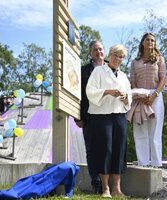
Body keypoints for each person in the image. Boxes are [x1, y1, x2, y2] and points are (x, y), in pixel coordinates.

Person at [86, 44, 132, 198]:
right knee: (105, 149)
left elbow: (129, 98)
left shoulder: (124, 76)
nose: (117, 59)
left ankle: (116, 189)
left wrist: (126, 98)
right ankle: (105, 189)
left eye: (121, 57)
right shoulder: (99, 71)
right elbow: (90, 91)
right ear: (109, 55)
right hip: (101, 116)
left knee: (119, 150)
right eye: (115, 55)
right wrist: (107, 92)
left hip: (119, 116)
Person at [130, 32, 166, 167]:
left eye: (153, 40)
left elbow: (162, 79)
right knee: (140, 129)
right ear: (143, 42)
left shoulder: (160, 59)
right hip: (139, 97)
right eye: (148, 40)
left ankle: (156, 164)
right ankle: (143, 163)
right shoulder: (134, 62)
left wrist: (154, 95)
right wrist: (139, 95)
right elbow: (132, 81)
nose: (150, 42)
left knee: (155, 130)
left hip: (155, 96)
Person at [74, 41, 105, 194]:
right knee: (92, 150)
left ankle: (107, 184)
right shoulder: (83, 71)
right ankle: (96, 182)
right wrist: (77, 116)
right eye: (95, 50)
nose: (98, 52)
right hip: (89, 117)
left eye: (100, 49)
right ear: (90, 53)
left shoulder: (111, 69)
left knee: (107, 149)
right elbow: (77, 96)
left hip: (109, 117)